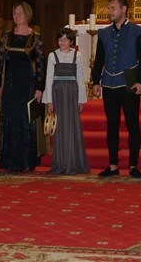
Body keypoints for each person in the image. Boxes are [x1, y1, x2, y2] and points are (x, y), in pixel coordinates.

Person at [91, 0, 141, 178]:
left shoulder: (138, 31)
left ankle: (133, 165)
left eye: (113, 8)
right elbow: (99, 59)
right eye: (109, 8)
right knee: (112, 125)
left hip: (130, 83)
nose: (110, 11)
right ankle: (113, 165)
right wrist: (95, 81)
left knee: (132, 124)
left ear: (124, 9)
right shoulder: (103, 33)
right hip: (109, 83)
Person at [0, 2, 46, 171]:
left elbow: (40, 65)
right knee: (10, 121)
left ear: (27, 15)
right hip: (9, 85)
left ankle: (26, 160)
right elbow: (0, 61)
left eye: (20, 13)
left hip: (28, 86)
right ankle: (9, 160)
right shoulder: (6, 36)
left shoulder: (35, 37)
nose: (17, 16)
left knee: (26, 122)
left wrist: (39, 88)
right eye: (15, 13)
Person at [44, 27, 89, 175]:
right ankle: (61, 163)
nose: (62, 42)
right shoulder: (52, 56)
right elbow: (49, 79)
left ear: (71, 41)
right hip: (57, 94)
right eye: (60, 39)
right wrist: (49, 101)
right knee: (59, 127)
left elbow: (80, 77)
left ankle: (73, 162)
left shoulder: (77, 55)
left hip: (71, 93)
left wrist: (81, 99)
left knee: (71, 126)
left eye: (65, 39)